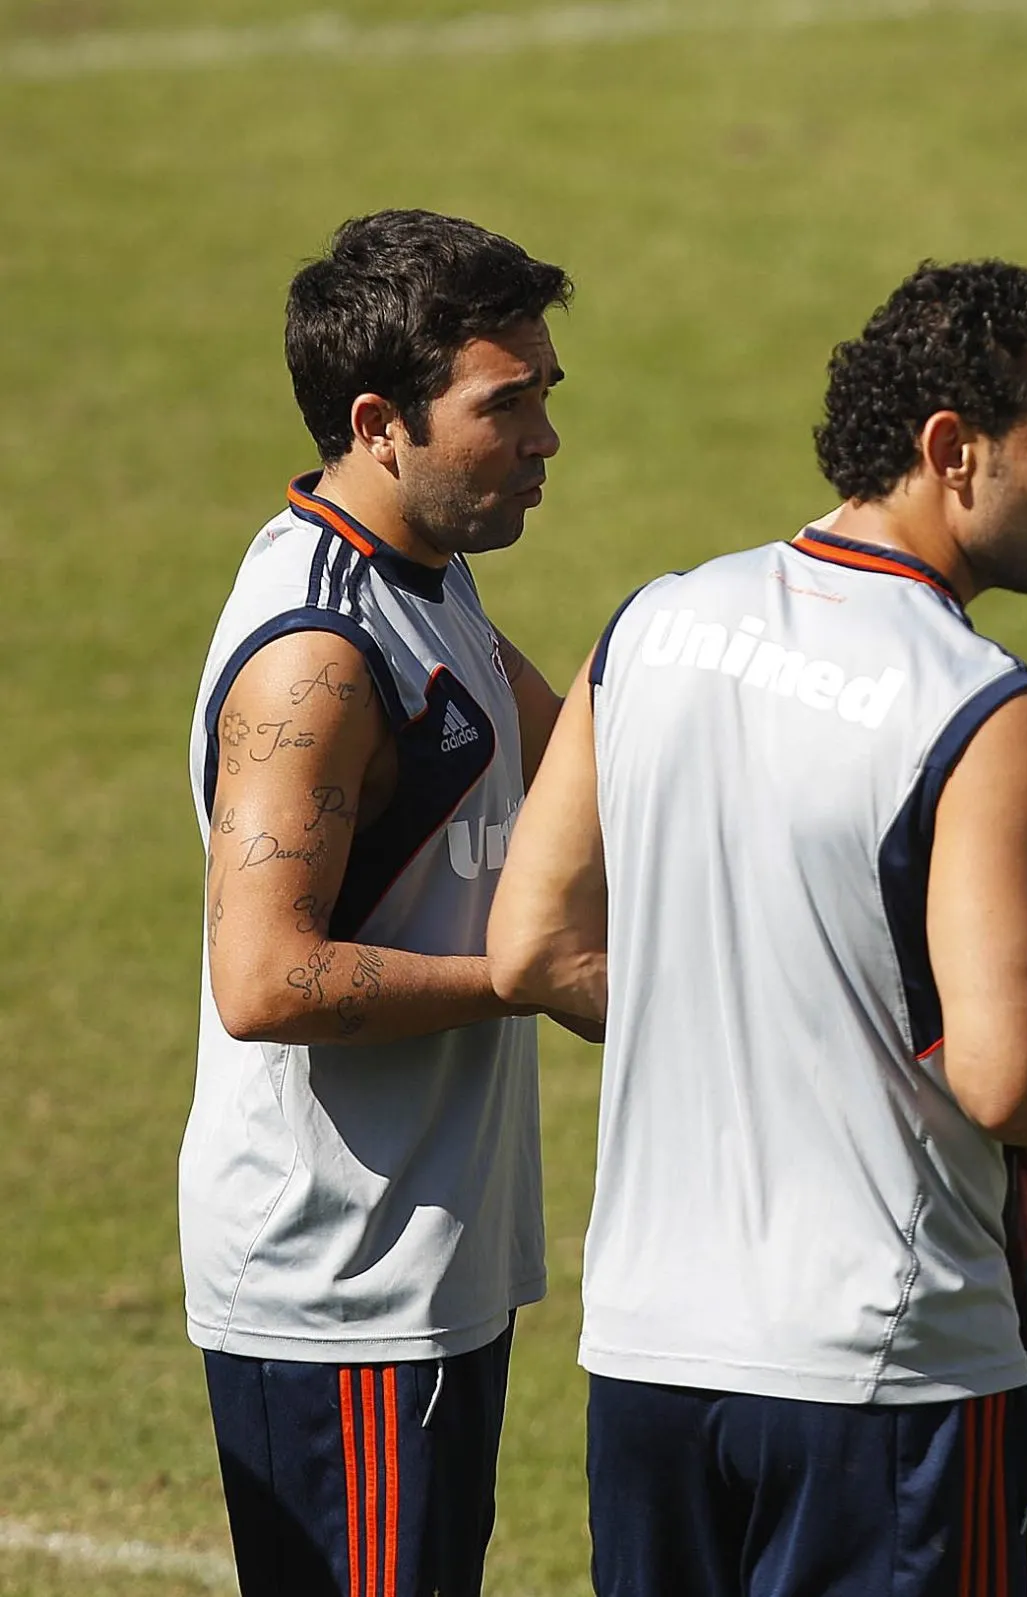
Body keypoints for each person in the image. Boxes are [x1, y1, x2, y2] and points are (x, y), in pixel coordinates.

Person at [487, 259, 1027, 1597]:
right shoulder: (978, 703)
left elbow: (530, 942)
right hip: (884, 1374)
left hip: (651, 1360)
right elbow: (1008, 1074)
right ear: (953, 451)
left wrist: (741, 1023)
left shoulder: (654, 622)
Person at [182, 209, 574, 1595]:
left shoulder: (428, 571)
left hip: (424, 1259)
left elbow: (576, 753)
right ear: (381, 419)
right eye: (504, 404)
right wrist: (520, 975)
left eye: (546, 397)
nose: (544, 440)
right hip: (339, 1290)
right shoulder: (321, 659)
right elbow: (264, 979)